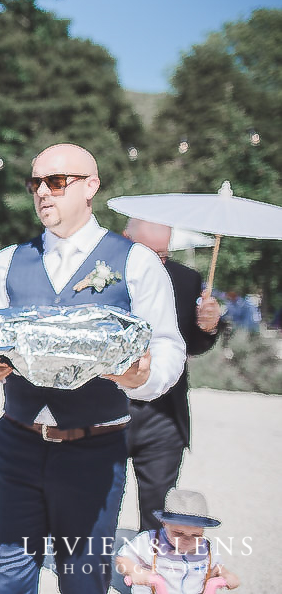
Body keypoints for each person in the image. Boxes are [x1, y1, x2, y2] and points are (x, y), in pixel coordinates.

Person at [0, 143, 187, 593]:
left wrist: (142, 377)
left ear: (91, 187)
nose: (43, 192)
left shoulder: (136, 261)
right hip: (17, 444)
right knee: (7, 580)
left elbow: (168, 348)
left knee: (83, 581)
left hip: (95, 449)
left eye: (57, 181)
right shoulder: (7, 262)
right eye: (35, 183)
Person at [123, 219, 222, 533]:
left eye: (162, 256)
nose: (155, 263)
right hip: (106, 408)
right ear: (125, 239)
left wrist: (207, 327)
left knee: (156, 510)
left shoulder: (186, 278)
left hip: (164, 414)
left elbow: (191, 343)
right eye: (148, 253)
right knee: (94, 499)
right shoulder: (102, 279)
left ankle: (153, 574)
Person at [116, 489, 241, 592]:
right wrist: (135, 571)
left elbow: (214, 568)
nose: (187, 539)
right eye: (178, 533)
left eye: (196, 535)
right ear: (164, 523)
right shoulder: (149, 541)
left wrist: (225, 575)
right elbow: (122, 559)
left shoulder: (206, 548)